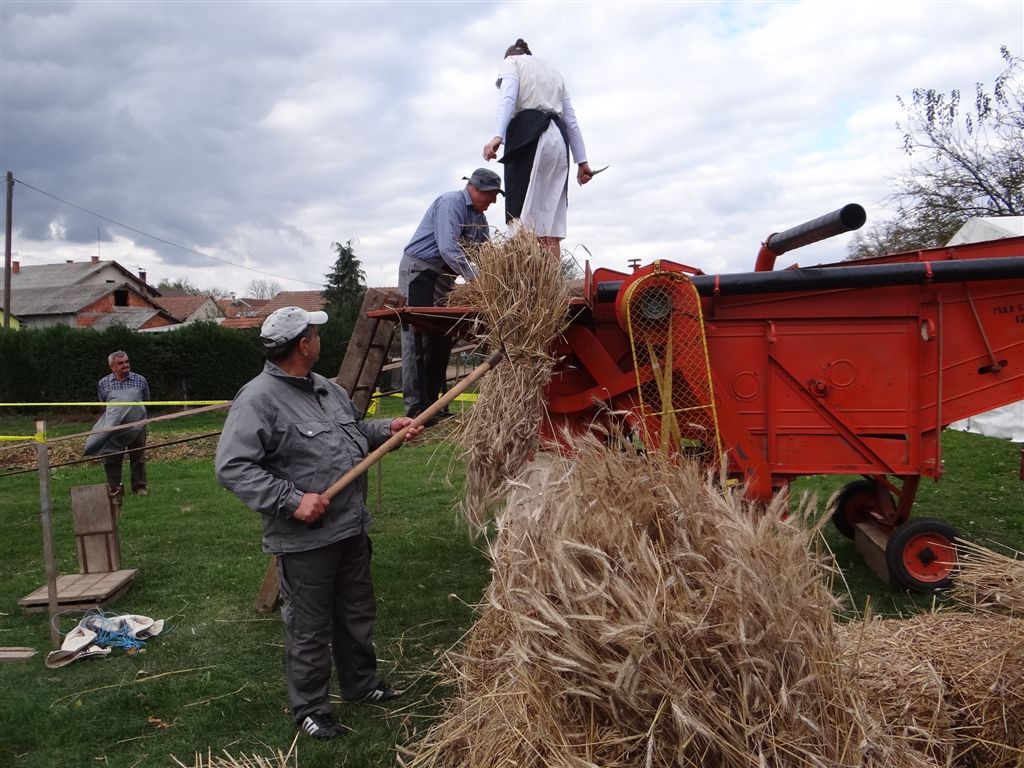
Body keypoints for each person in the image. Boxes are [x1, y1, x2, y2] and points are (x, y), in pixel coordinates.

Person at [215, 306, 421, 742]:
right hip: (304, 541)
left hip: (349, 528)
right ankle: (310, 708)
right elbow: (233, 467)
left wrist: (390, 429)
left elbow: (356, 433)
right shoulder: (257, 400)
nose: (320, 340)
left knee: (356, 613)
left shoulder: (327, 390)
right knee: (309, 627)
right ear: (303, 345)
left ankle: (361, 685)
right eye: (315, 334)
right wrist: (292, 501)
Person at [398, 168, 500, 420]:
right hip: (420, 272)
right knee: (418, 340)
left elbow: (484, 255)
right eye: (491, 194)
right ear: (475, 189)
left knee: (442, 339)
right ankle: (415, 412)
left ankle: (434, 408)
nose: (494, 201)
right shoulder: (450, 204)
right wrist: (477, 279)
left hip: (444, 277)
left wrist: (497, 277)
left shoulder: (479, 219)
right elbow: (448, 248)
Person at [483, 38, 596, 260]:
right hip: (559, 141)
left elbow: (507, 97)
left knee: (519, 218)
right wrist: (582, 162)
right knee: (550, 227)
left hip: (529, 136)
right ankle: (550, 291)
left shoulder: (512, 63)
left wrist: (498, 135)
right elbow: (571, 119)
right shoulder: (554, 73)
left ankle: (526, 290)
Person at [96, 350, 150, 497]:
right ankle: (115, 489)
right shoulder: (103, 383)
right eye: (121, 363)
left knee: (138, 457)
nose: (125, 365)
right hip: (114, 428)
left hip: (137, 426)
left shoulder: (140, 380)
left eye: (127, 362)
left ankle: (139, 487)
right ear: (112, 367)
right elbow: (103, 404)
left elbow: (146, 400)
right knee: (112, 458)